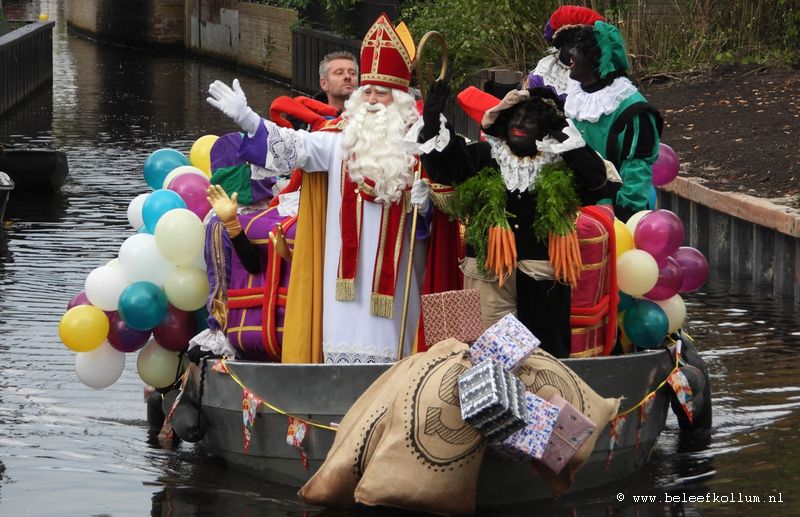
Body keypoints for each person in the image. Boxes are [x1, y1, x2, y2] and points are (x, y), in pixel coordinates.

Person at [206, 14, 455, 364]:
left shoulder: (421, 143)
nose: (370, 99)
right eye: (366, 91)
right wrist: (248, 119)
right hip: (344, 285)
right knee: (343, 349)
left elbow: (452, 205)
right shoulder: (338, 139)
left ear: (399, 98)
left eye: (380, 93)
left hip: (402, 276)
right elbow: (294, 146)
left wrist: (427, 203)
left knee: (400, 353)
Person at [420, 81, 611, 358]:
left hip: (543, 279)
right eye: (515, 116)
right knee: (488, 356)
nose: (520, 123)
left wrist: (567, 140)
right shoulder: (485, 157)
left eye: (531, 119)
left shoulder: (560, 165)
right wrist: (433, 119)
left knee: (543, 358)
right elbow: (444, 166)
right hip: (488, 276)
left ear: (544, 129)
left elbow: (596, 184)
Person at [558, 21, 663, 222]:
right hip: (573, 210)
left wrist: (620, 218)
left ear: (596, 57)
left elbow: (636, 172)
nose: (570, 53)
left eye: (578, 48)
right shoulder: (576, 98)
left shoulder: (632, 108)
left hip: (612, 215)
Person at [525, 5, 606, 102]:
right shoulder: (542, 76)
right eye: (573, 44)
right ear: (561, 43)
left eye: (583, 46)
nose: (575, 52)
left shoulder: (601, 73)